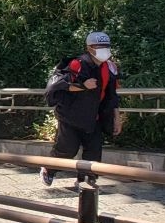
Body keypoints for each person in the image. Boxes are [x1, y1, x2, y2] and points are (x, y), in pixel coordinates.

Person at [42, 31, 122, 190]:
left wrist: (116, 117)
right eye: (99, 47)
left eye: (106, 46)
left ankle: (86, 180)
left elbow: (112, 95)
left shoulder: (110, 68)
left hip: (95, 116)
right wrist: (82, 86)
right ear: (89, 48)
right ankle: (49, 169)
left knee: (94, 151)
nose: (103, 50)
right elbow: (58, 87)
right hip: (70, 116)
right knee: (67, 149)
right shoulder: (77, 64)